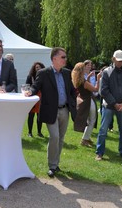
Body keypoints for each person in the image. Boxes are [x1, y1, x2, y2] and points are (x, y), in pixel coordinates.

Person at [25, 47, 77, 177]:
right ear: (54, 59)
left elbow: (71, 90)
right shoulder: (44, 73)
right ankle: (52, 166)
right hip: (50, 110)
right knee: (54, 136)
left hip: (65, 110)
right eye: (63, 57)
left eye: (65, 57)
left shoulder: (66, 73)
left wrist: (72, 102)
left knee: (61, 138)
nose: (65, 59)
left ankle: (56, 164)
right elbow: (35, 87)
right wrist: (30, 92)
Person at [95, 50, 122, 161]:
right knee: (103, 130)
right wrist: (115, 103)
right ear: (113, 59)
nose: (120, 63)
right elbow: (104, 90)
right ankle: (99, 152)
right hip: (108, 105)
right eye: (118, 61)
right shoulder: (106, 72)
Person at [71, 62, 102, 147]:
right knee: (92, 120)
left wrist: (88, 77)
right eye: (84, 68)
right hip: (88, 101)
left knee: (89, 120)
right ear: (81, 70)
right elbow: (95, 89)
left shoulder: (78, 79)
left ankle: (87, 138)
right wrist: (98, 78)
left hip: (84, 100)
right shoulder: (83, 82)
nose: (86, 68)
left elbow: (86, 86)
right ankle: (84, 139)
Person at [26, 62, 45, 138]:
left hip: (41, 98)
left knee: (39, 116)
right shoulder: (30, 77)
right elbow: (27, 86)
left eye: (39, 67)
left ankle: (39, 132)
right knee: (31, 115)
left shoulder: (45, 76)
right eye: (36, 67)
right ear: (34, 68)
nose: (38, 68)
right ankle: (30, 132)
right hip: (32, 98)